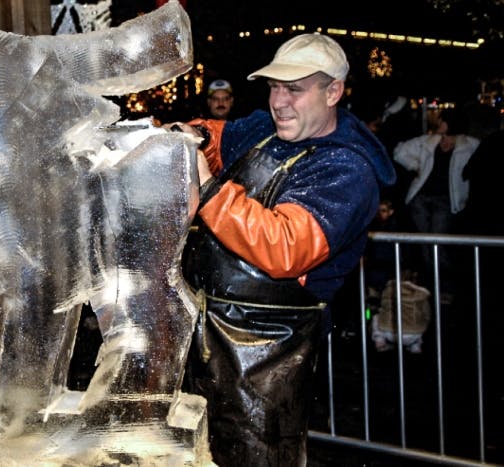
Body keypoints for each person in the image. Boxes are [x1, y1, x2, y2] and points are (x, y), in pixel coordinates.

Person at [167, 32, 395, 465]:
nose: (278, 101)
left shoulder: (345, 167)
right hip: (206, 339)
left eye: (294, 89)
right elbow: (218, 136)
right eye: (274, 87)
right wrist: (188, 137)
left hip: (267, 358)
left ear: (333, 92)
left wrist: (211, 191)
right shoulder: (266, 131)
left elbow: (285, 247)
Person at [393, 107, 479, 301]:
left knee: (436, 243)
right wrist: (415, 165)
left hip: (445, 200)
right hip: (422, 198)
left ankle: (442, 285)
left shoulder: (469, 145)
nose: (438, 122)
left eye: (441, 120)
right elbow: (400, 151)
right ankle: (435, 286)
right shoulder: (430, 141)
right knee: (426, 243)